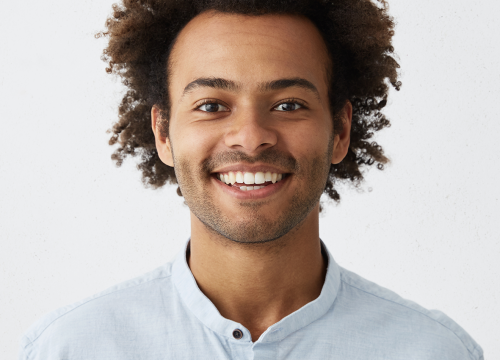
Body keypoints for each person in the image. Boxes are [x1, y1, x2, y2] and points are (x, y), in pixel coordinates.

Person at [18, 0, 484, 359]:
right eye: (211, 106)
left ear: (340, 131)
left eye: (288, 105)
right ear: (163, 133)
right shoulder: (69, 349)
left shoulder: (432, 351)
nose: (252, 138)